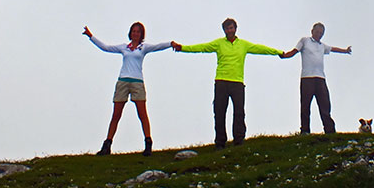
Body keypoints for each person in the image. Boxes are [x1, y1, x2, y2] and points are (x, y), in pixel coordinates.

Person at [171, 18, 284, 150]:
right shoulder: (219, 43)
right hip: (221, 82)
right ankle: (220, 142)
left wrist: (278, 52)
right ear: (224, 30)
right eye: (227, 28)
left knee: (239, 112)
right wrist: (182, 48)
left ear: (235, 29)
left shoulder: (244, 44)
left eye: (231, 28)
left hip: (237, 83)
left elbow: (261, 49)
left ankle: (239, 140)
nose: (229, 30)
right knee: (219, 112)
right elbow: (202, 47)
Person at [83, 22, 171, 156]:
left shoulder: (143, 47)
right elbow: (106, 47)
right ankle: (107, 145)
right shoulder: (124, 47)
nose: (135, 34)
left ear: (142, 34)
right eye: (134, 31)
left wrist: (171, 43)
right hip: (123, 81)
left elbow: (158, 46)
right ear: (130, 33)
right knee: (116, 115)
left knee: (142, 114)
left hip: (137, 82)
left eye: (138, 32)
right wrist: (91, 36)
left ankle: (148, 144)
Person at [280, 22, 351, 134]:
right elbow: (294, 51)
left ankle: (330, 130)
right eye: (317, 32)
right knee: (305, 105)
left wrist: (345, 51)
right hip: (307, 78)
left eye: (321, 33)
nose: (319, 34)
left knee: (325, 104)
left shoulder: (322, 46)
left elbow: (333, 49)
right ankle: (305, 131)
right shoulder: (304, 41)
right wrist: (284, 55)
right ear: (312, 31)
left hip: (320, 78)